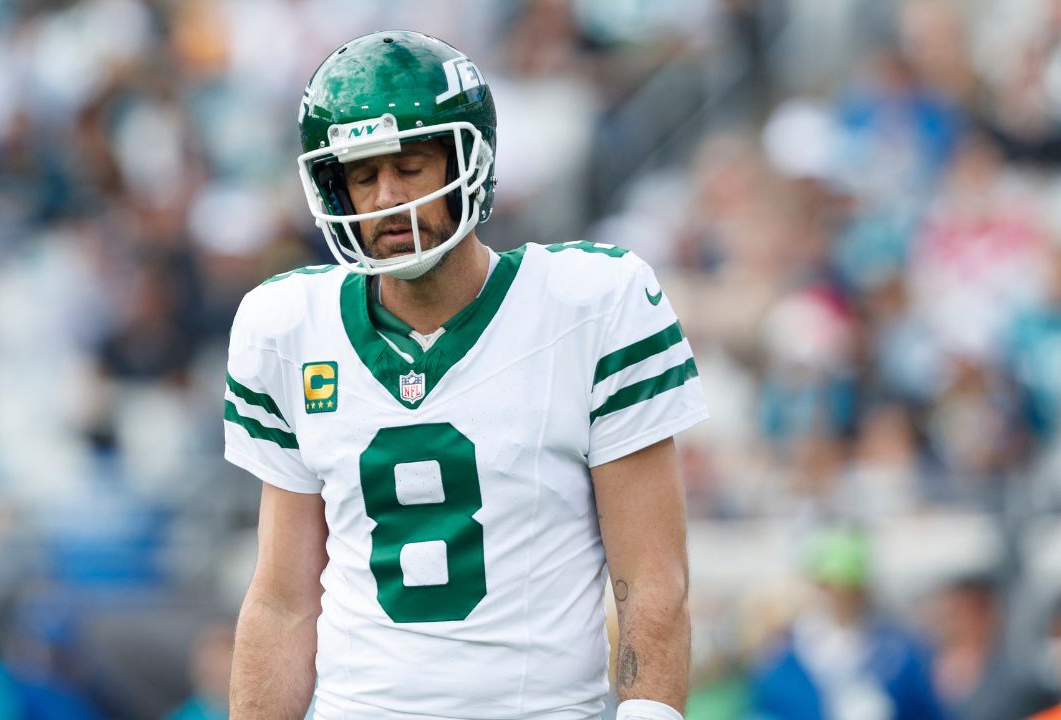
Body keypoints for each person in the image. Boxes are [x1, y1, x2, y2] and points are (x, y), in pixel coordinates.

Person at [223, 30, 708, 720]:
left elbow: (652, 580)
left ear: (466, 160)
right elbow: (282, 599)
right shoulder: (286, 326)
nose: (387, 198)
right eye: (363, 176)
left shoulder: (592, 304)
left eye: (411, 166)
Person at [750, 527, 945, 720]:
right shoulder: (784, 656)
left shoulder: (899, 655)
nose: (837, 596)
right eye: (828, 585)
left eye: (847, 586)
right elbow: (768, 707)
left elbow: (926, 709)